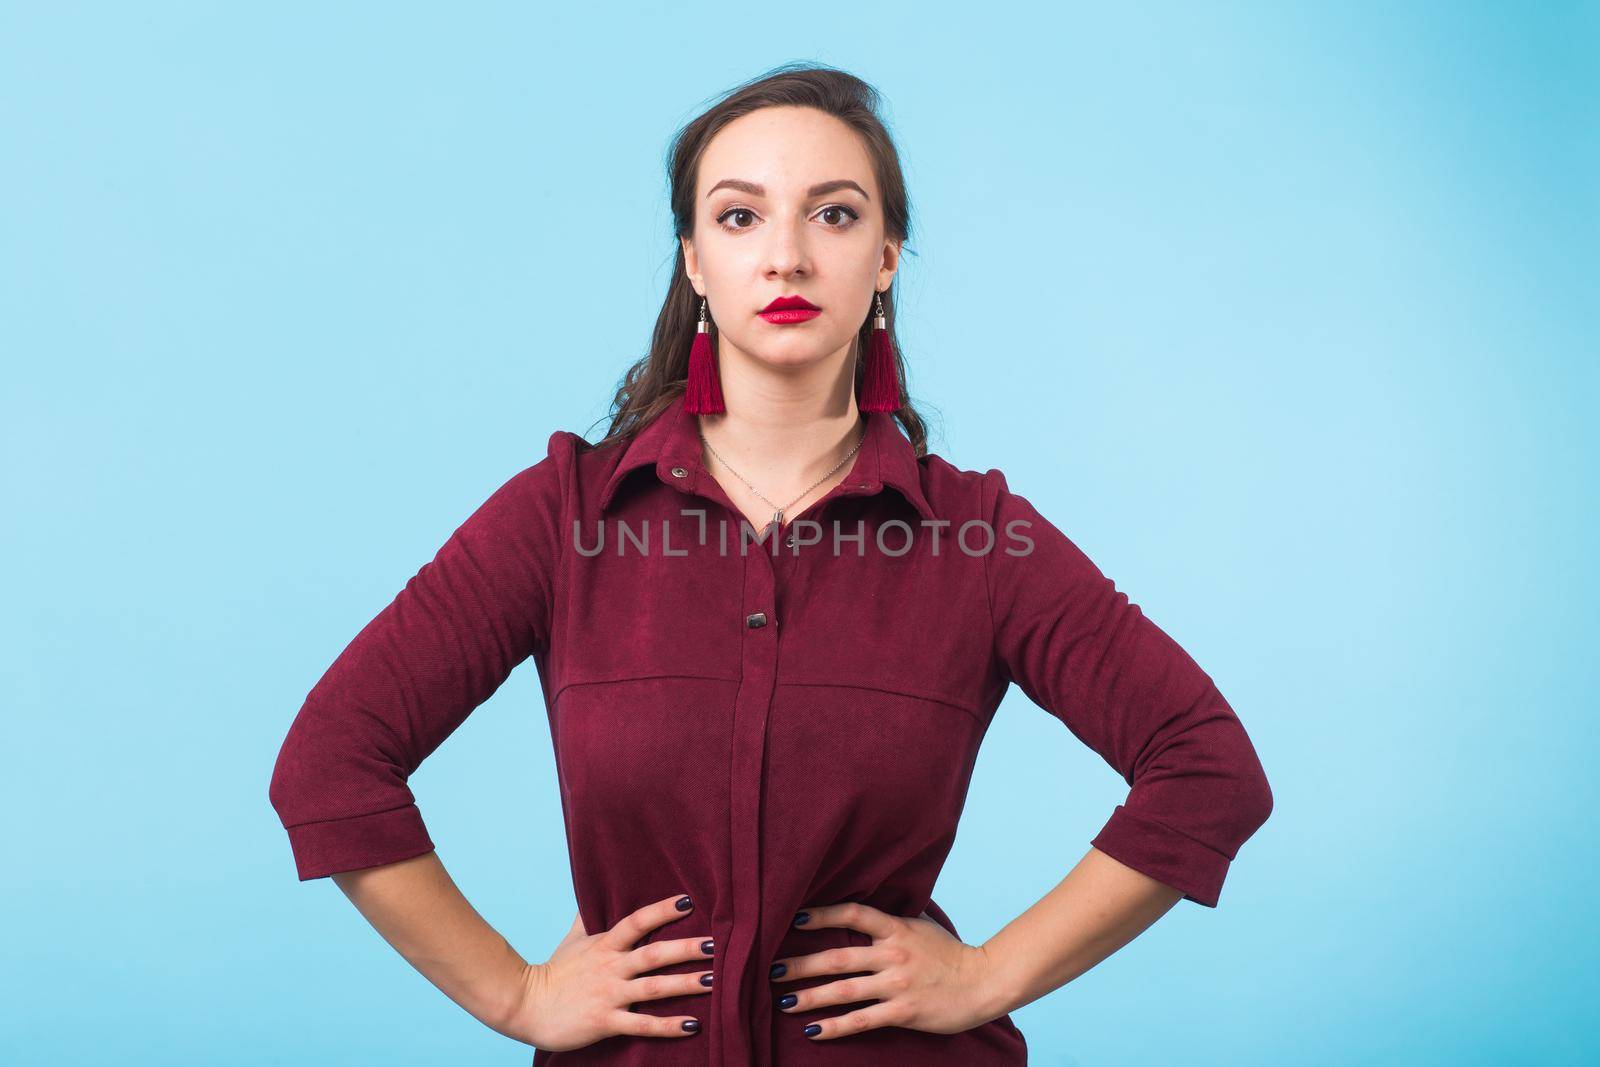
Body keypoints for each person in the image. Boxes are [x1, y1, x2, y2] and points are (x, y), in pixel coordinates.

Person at [268, 62, 1273, 1066]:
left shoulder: (978, 536)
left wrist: (990, 971)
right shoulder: (564, 516)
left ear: (884, 257)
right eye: (740, 217)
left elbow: (1205, 768)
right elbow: (329, 762)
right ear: (694, 260)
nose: (786, 256)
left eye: (832, 216)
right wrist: (512, 990)